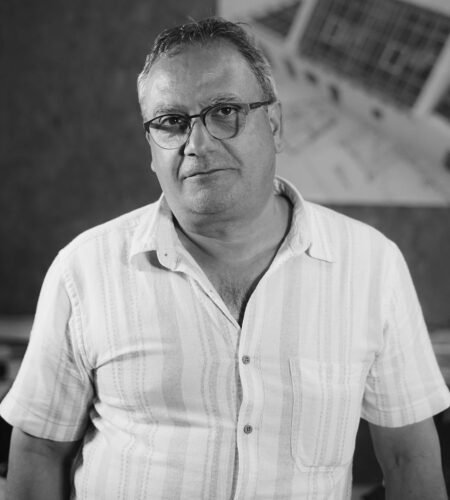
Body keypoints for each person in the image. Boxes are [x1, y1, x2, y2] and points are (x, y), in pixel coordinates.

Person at [1, 17, 449, 500]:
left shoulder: (371, 266)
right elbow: (39, 450)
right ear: (151, 148)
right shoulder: (84, 270)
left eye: (225, 112)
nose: (197, 144)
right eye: (171, 122)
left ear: (274, 126)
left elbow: (409, 457)